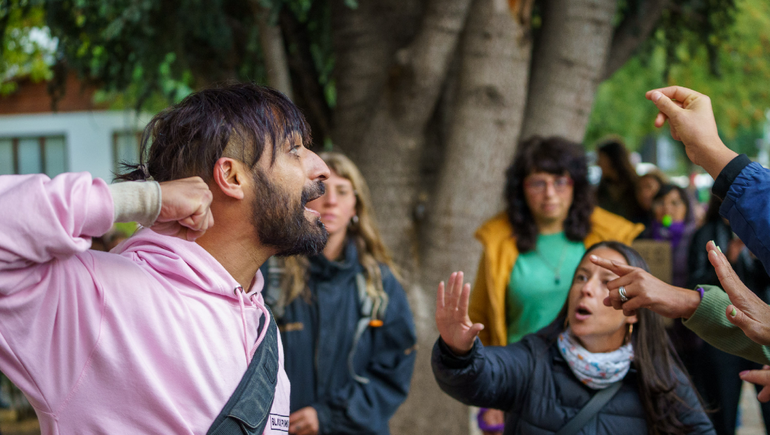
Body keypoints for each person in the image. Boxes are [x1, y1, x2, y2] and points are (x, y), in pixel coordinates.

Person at [0, 83, 330, 433]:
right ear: (232, 176)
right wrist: (141, 200)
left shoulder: (260, 324)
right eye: (294, 149)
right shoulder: (95, 298)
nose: (322, 168)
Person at [433, 242, 715, 434]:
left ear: (633, 311)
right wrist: (458, 353)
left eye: (606, 282)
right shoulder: (534, 357)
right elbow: (481, 376)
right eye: (581, 277)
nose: (586, 288)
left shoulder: (661, 377)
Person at [468, 136, 643, 433]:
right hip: (521, 380)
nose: (549, 193)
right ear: (521, 188)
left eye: (560, 182)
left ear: (576, 185)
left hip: (597, 382)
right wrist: (491, 388)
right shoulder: (498, 242)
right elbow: (480, 319)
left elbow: (636, 312)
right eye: (538, 183)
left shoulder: (609, 235)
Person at [264, 152, 417, 435]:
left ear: (355, 205)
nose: (331, 200)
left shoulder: (380, 283)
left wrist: (328, 416)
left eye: (343, 191)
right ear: (302, 198)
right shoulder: (270, 274)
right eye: (321, 190)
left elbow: (394, 370)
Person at [687, 195, 770, 434]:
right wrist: (728, 263)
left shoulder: (761, 229)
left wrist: (757, 258)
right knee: (723, 409)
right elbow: (694, 284)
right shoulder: (706, 233)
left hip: (763, 329)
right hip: (722, 329)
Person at [596, 139, 645, 223]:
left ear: (611, 159)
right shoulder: (602, 189)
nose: (598, 163)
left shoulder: (636, 187)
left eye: (601, 158)